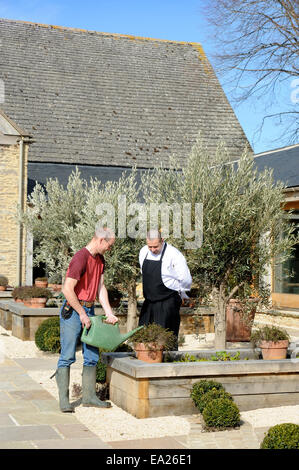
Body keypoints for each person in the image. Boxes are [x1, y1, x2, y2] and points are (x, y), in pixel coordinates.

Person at [52, 226, 118, 412]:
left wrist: (108, 312)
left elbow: (100, 288)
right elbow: (67, 289)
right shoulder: (80, 258)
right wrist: (81, 313)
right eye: (109, 245)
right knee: (67, 356)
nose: (109, 249)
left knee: (91, 355)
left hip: (89, 309)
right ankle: (64, 400)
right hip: (73, 311)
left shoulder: (100, 260)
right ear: (100, 240)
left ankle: (89, 397)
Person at [138, 229, 192, 348]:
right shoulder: (143, 252)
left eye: (155, 246)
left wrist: (182, 294)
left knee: (166, 340)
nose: (152, 249)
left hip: (168, 302)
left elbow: (185, 278)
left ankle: (169, 364)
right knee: (144, 337)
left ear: (162, 240)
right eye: (150, 246)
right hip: (149, 303)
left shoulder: (174, 254)